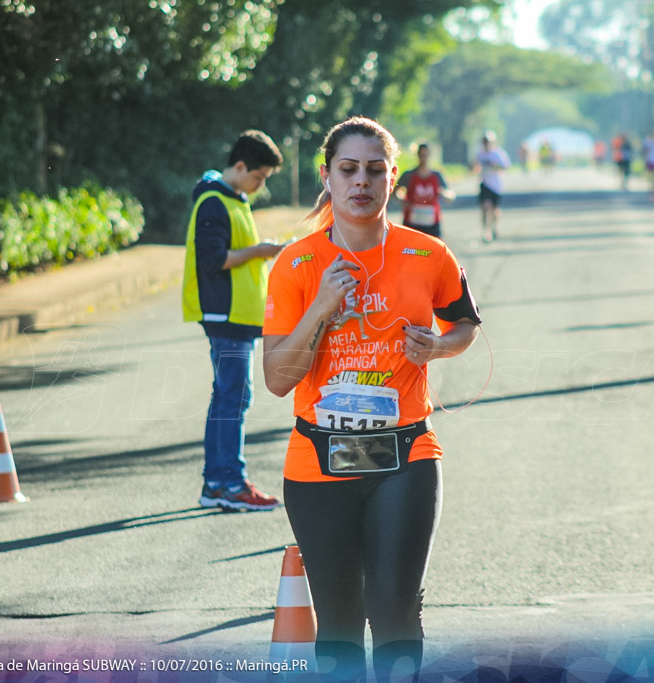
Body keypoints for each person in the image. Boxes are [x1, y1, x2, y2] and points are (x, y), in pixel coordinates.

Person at [262, 116, 481, 681]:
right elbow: (278, 378)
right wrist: (321, 308)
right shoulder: (297, 264)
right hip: (317, 462)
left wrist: (436, 345)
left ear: (393, 179)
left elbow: (464, 325)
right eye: (349, 169)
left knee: (393, 607)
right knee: (337, 619)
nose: (361, 182)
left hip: (404, 457)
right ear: (327, 177)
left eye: (374, 170)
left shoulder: (428, 255)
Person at [182, 130, 287, 511]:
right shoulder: (214, 201)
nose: (259, 186)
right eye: (258, 177)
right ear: (240, 166)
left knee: (229, 396)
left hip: (236, 316)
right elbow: (213, 259)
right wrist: (260, 251)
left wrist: (259, 252)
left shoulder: (233, 198)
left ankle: (217, 482)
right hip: (225, 316)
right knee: (232, 397)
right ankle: (228, 483)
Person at [395, 143, 455, 239]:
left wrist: (444, 194)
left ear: (429, 155)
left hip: (431, 222)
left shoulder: (437, 175)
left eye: (425, 155)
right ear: (417, 155)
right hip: (412, 222)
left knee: (431, 252)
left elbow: (450, 194)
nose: (423, 158)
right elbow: (395, 192)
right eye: (421, 155)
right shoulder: (408, 175)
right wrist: (402, 200)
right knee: (411, 251)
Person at [474, 131, 510, 243]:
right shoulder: (479, 154)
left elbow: (506, 166)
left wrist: (494, 167)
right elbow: (475, 166)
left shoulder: (498, 154)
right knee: (485, 208)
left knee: (494, 210)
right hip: (484, 184)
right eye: (484, 141)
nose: (486, 144)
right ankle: (486, 231)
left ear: (492, 142)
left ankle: (495, 227)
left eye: (488, 141)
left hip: (496, 185)